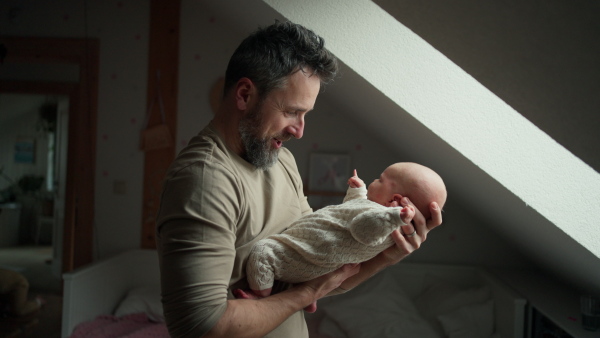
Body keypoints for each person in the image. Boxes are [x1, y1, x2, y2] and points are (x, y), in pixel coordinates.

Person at [155, 21, 443, 338]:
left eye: (305, 114)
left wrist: (389, 254)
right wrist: (302, 297)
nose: (299, 130)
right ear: (245, 94)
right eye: (292, 111)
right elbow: (201, 326)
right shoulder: (205, 179)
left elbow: (318, 264)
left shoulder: (282, 161)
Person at [238, 163, 447, 312]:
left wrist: (394, 217)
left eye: (380, 180)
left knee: (263, 252)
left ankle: (260, 296)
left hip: (302, 257)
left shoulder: (380, 222)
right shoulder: (371, 211)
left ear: (394, 199)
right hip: (312, 268)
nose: (374, 179)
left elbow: (364, 227)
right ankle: (304, 297)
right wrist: (358, 189)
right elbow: (350, 211)